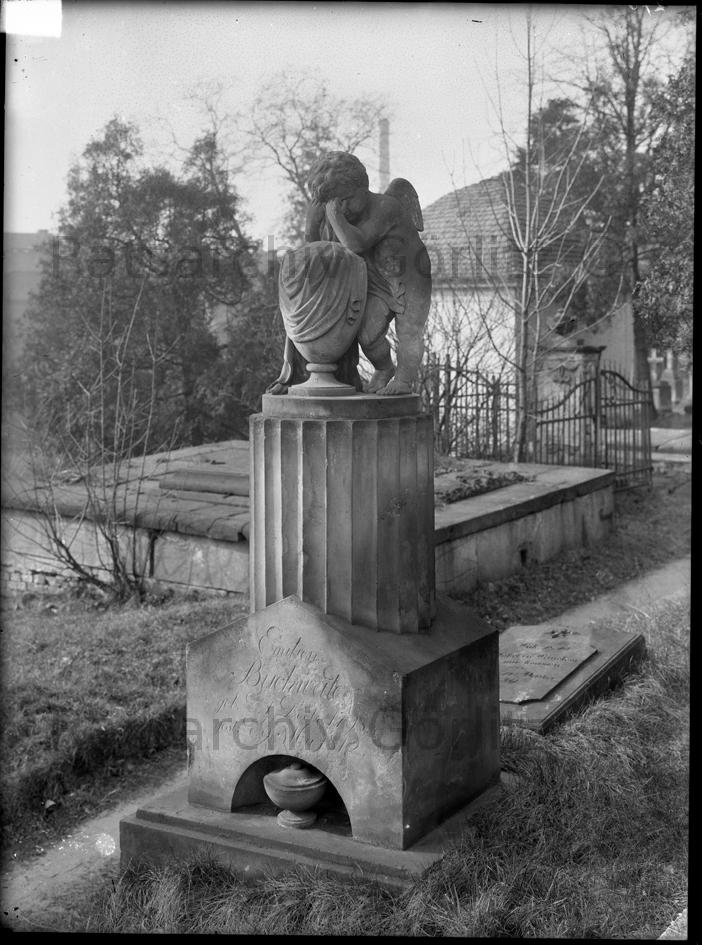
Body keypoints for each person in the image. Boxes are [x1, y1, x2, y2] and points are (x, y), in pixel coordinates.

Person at [270, 151, 432, 396]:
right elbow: (319, 248)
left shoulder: (385, 207)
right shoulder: (347, 216)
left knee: (409, 330)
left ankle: (404, 380)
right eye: (336, 204)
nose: (342, 208)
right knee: (368, 336)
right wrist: (313, 222)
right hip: (378, 280)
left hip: (410, 277)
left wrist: (334, 216)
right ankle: (384, 369)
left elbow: (357, 244)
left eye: (345, 200)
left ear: (362, 188)